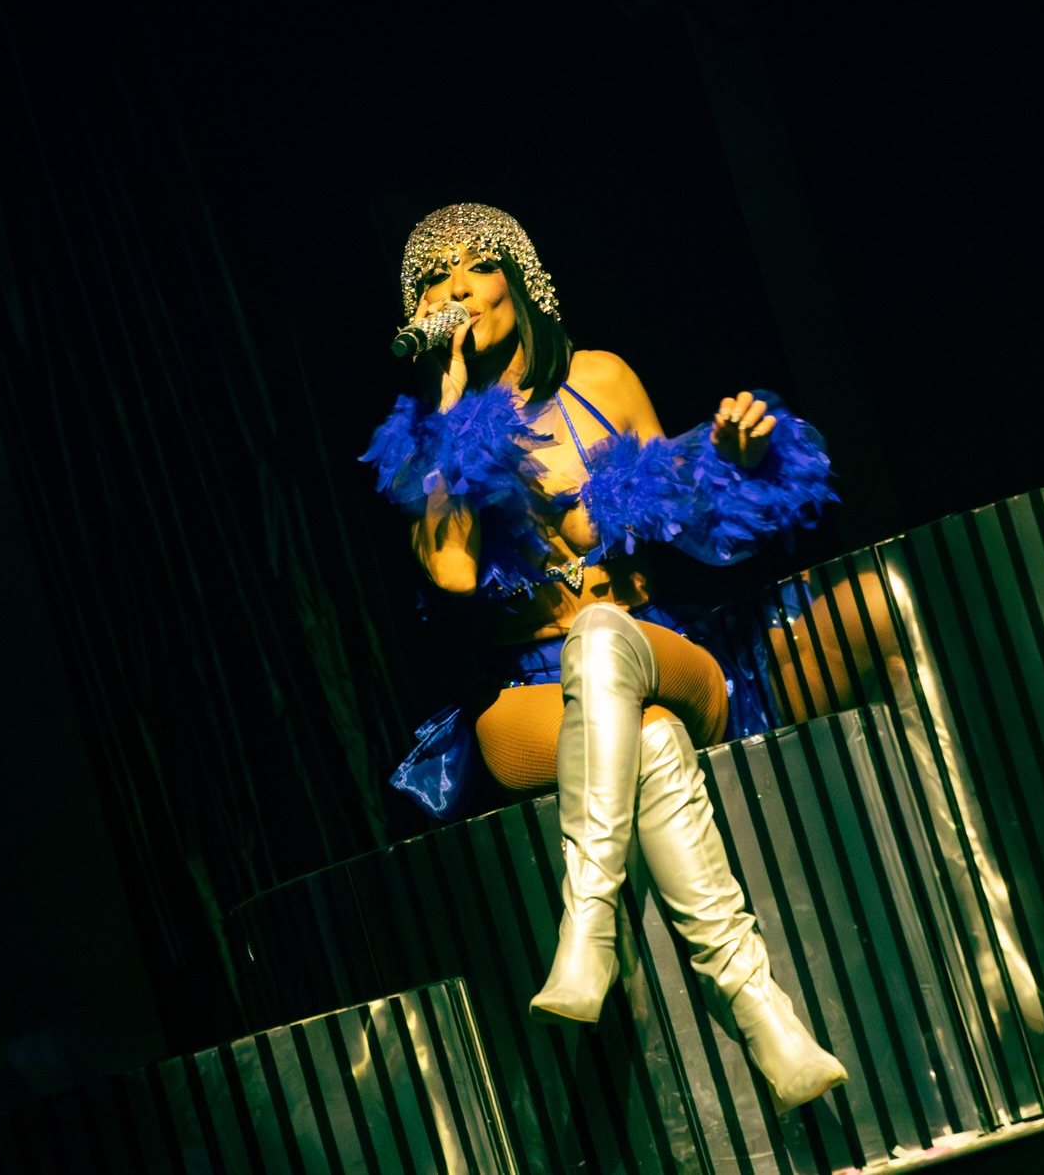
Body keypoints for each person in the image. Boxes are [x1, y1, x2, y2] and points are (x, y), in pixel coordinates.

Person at [363, 203, 848, 1115]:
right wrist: (452, 414)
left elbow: (695, 527)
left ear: (522, 280)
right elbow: (455, 572)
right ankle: (762, 1012)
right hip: (530, 691)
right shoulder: (425, 440)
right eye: (433, 278)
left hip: (655, 646)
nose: (455, 288)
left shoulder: (603, 378)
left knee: (602, 635)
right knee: (651, 742)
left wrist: (734, 458)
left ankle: (586, 929)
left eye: (476, 265)